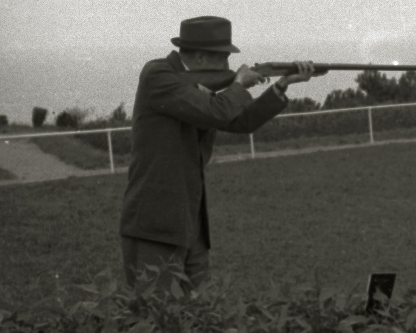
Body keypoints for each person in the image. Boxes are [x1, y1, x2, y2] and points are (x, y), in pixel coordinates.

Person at [119, 15, 322, 292]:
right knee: (156, 310)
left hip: (191, 221)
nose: (228, 66)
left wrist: (282, 85)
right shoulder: (158, 75)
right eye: (224, 58)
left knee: (203, 307)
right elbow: (217, 112)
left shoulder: (196, 88)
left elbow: (241, 122)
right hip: (156, 223)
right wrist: (238, 85)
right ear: (201, 57)